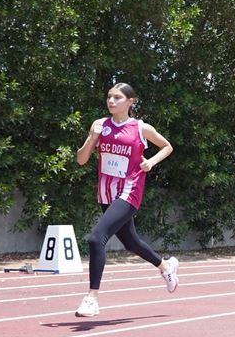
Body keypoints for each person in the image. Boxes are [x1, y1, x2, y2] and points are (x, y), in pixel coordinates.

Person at [73, 83, 179, 317]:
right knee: (131, 243)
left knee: (96, 238)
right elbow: (81, 160)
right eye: (109, 97)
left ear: (130, 102)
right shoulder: (100, 125)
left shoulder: (141, 128)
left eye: (117, 98)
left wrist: (151, 162)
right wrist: (92, 137)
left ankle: (92, 298)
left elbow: (167, 146)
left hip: (129, 191)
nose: (111, 101)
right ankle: (165, 266)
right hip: (106, 192)